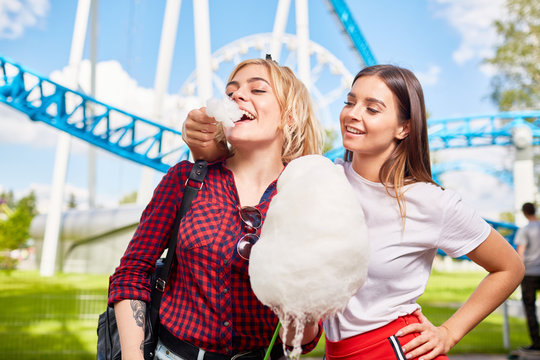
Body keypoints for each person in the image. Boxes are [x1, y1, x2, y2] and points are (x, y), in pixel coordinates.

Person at [183, 64, 525, 360]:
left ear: (404, 127)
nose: (353, 114)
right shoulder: (320, 175)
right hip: (338, 350)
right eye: (350, 102)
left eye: (372, 108)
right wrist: (208, 145)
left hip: (396, 347)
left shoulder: (431, 203)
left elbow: (509, 267)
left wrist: (450, 331)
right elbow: (255, 168)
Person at [108, 58, 324, 360]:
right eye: (230, 92)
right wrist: (133, 356)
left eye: (258, 90)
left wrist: (300, 307)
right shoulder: (186, 179)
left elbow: (303, 338)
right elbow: (131, 273)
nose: (237, 97)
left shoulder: (304, 195)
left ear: (289, 117)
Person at [515, 202, 540, 353]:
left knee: (530, 309)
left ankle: (537, 342)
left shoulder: (524, 230)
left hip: (530, 274)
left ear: (524, 213)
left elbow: (520, 254)